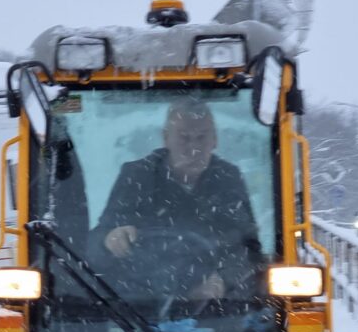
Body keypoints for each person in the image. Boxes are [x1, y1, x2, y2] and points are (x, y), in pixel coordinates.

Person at [89, 98, 260, 302]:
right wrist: (109, 239)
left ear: (214, 140)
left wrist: (224, 280)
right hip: (140, 304)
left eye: (201, 137)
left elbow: (249, 250)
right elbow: (94, 243)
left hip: (213, 310)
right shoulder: (137, 176)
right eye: (184, 138)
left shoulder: (228, 180)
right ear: (166, 138)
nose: (193, 148)